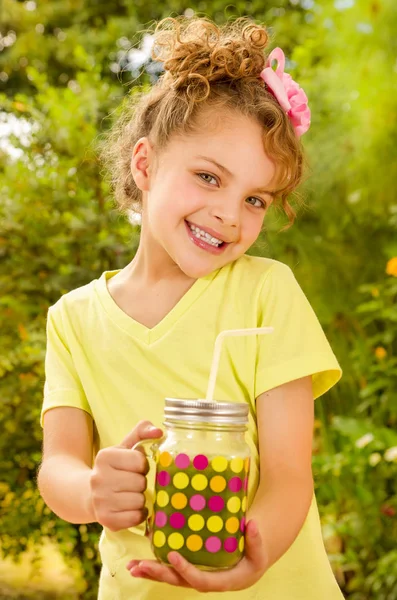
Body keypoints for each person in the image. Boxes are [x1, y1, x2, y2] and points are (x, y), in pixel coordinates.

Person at [38, 15, 344, 600]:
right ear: (146, 165)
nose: (230, 214)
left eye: (255, 198)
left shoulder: (266, 293)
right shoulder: (73, 319)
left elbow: (286, 476)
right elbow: (60, 468)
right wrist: (92, 492)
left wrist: (249, 558)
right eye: (209, 177)